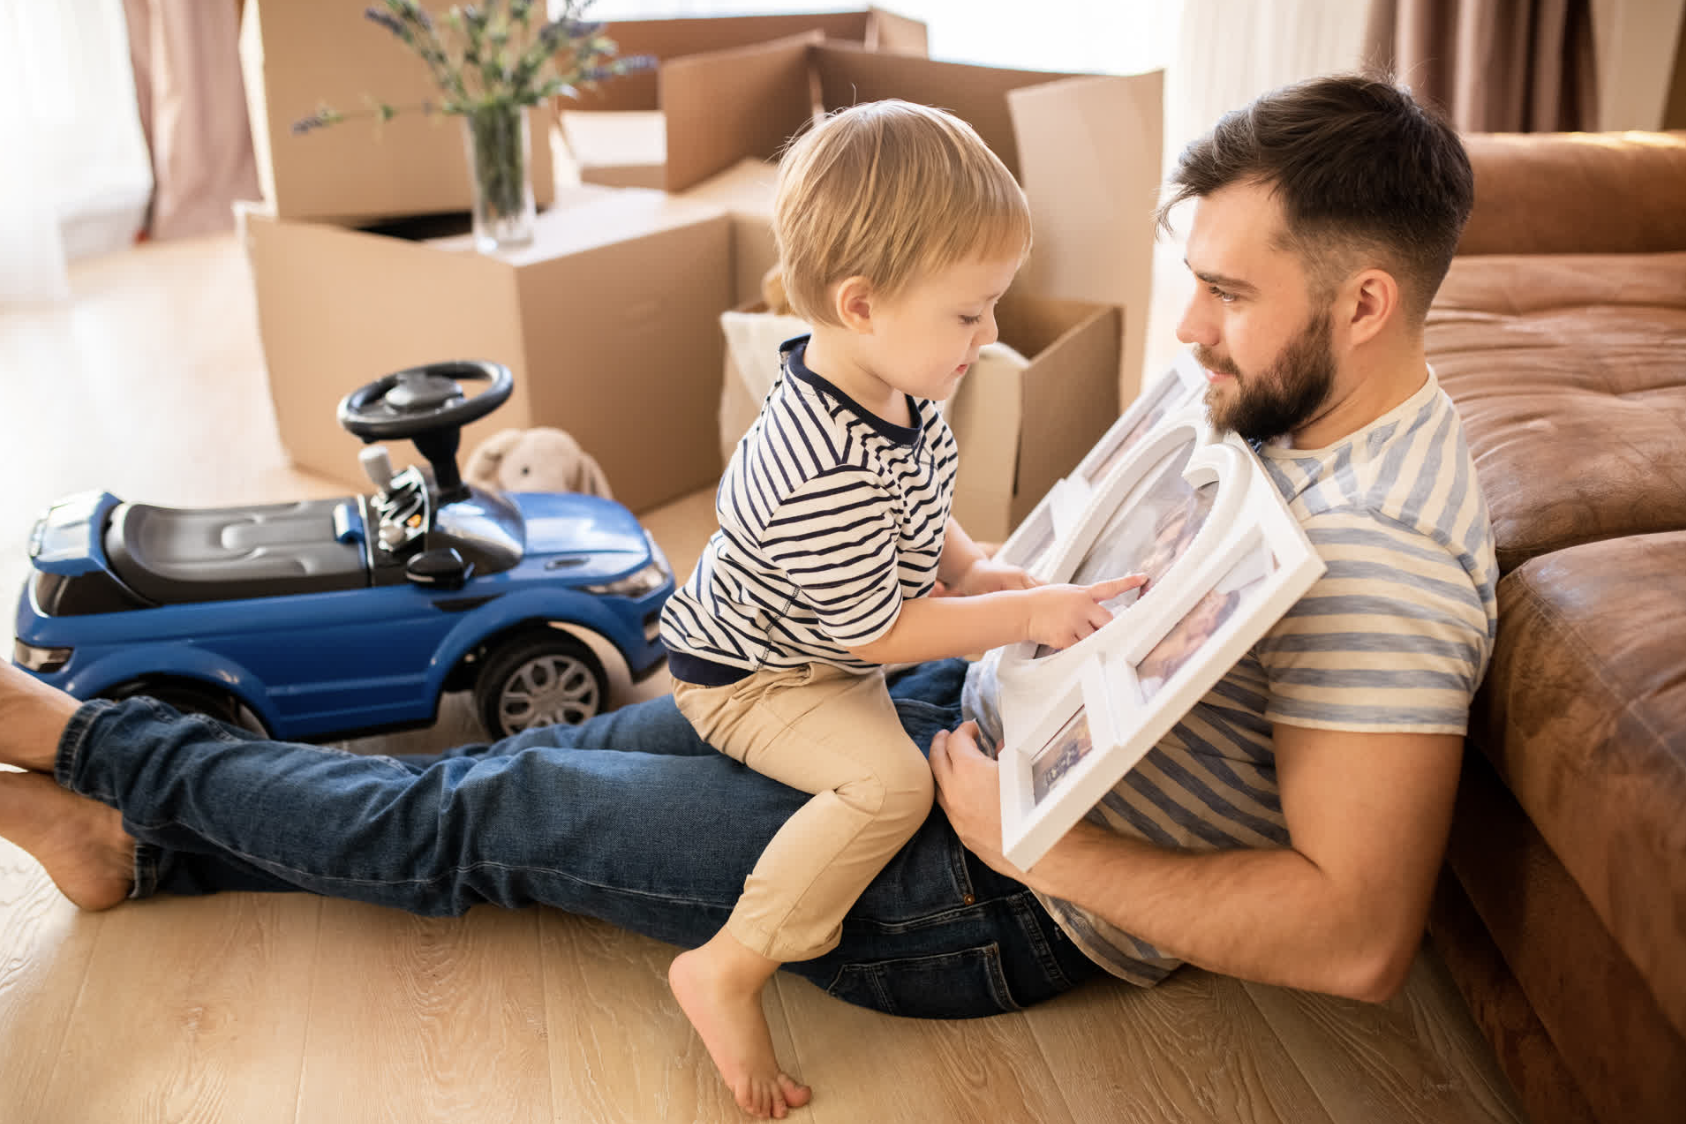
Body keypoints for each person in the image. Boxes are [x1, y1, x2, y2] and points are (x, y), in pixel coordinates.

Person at [0, 71, 1496, 1120]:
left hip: (972, 882)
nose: (1186, 326)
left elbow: (1358, 939)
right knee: (500, 767)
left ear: (1363, 303)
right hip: (919, 702)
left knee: (482, 817)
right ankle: (145, 856)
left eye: (1228, 294)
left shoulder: (1387, 566)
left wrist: (1022, 842)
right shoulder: (1294, 413)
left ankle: (84, 747)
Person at [654, 100, 1138, 1117]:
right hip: (758, 678)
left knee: (959, 648)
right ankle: (732, 962)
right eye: (971, 313)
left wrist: (976, 568)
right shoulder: (814, 462)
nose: (991, 332)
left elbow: (921, 499)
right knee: (887, 786)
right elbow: (878, 632)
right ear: (862, 304)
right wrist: (1026, 613)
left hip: (829, 637)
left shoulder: (895, 383)